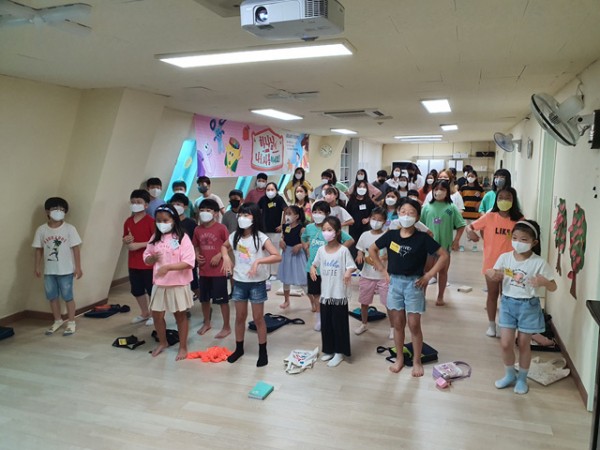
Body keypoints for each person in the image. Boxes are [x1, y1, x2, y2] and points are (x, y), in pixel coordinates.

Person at [369, 198, 449, 376]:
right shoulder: (391, 235)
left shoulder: (422, 238)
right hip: (395, 283)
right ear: (398, 213)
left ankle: (417, 361)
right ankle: (399, 358)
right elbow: (372, 249)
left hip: (414, 284)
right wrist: (383, 270)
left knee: (414, 325)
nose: (406, 216)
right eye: (403, 212)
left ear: (417, 217)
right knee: (398, 324)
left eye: (411, 212)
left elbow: (443, 255)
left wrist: (428, 275)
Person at [486, 220, 557, 395]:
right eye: (515, 238)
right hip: (508, 304)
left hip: (529, 306)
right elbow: (494, 274)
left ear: (534, 242)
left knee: (524, 344)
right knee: (505, 344)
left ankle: (522, 379)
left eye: (524, 239)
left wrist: (543, 282)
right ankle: (510, 374)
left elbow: (553, 286)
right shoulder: (505, 257)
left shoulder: (539, 262)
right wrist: (491, 273)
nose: (518, 242)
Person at [221, 203, 282, 366]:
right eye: (240, 215)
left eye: (246, 215)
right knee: (240, 317)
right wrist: (225, 257)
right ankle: (239, 348)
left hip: (256, 283)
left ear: (254, 218)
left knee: (258, 318)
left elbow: (277, 256)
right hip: (239, 282)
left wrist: (258, 261)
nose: (242, 218)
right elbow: (223, 246)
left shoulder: (261, 237)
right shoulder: (234, 236)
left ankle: (263, 351)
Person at [466, 187, 523, 337]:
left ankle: (506, 325)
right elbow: (470, 227)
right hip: (491, 264)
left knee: (508, 296)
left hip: (511, 265)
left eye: (508, 198)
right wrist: (471, 233)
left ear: (513, 200)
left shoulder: (519, 220)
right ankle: (492, 325)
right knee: (492, 294)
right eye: (501, 197)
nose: (504, 201)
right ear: (496, 200)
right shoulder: (489, 217)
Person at [143, 204, 195, 360]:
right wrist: (150, 259)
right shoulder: (155, 238)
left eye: (165, 220)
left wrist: (168, 268)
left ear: (174, 220)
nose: (161, 223)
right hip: (160, 283)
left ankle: (183, 347)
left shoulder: (182, 237)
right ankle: (163, 342)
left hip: (178, 283)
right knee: (157, 315)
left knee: (180, 316)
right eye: (158, 220)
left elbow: (189, 262)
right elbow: (147, 256)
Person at [310, 216, 357, 367]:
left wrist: (348, 272)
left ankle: (339, 352)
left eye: (329, 230)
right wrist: (312, 268)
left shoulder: (343, 250)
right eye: (324, 230)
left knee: (339, 324)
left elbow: (352, 265)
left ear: (337, 232)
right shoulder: (321, 250)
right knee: (327, 323)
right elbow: (314, 263)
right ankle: (329, 349)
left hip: (339, 294)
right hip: (326, 294)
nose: (326, 232)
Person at [33, 197, 82, 336]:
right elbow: (38, 249)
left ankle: (71, 322)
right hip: (49, 271)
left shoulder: (70, 229)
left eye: (62, 209)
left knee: (68, 296)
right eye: (55, 209)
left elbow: (76, 249)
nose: (59, 211)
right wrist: (37, 266)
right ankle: (57, 320)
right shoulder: (41, 230)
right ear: (47, 211)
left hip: (66, 270)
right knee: (52, 297)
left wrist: (78, 267)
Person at [302, 201, 354, 331]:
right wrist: (306, 247)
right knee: (316, 295)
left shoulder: (331, 229)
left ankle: (331, 317)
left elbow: (350, 240)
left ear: (327, 213)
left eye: (320, 212)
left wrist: (338, 251)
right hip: (313, 268)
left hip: (329, 269)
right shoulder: (309, 228)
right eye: (314, 212)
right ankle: (320, 319)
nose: (317, 214)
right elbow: (304, 238)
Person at [420, 180, 466, 305]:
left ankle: (440, 297)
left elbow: (461, 225)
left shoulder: (451, 208)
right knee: (426, 271)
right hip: (428, 247)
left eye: (442, 189)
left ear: (447, 192)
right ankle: (422, 295)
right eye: (436, 189)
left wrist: (456, 241)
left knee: (443, 272)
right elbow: (420, 225)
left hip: (445, 247)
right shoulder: (426, 208)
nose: (438, 192)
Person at [193, 198, 231, 339]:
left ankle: (226, 326)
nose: (204, 213)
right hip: (204, 271)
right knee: (204, 299)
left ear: (215, 213)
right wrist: (197, 255)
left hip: (219, 271)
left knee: (222, 300)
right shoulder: (197, 229)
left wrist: (219, 255)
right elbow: (196, 245)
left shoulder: (221, 228)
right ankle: (207, 323)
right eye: (202, 210)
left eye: (208, 210)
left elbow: (229, 245)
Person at [354, 207, 394, 339]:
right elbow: (360, 249)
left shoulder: (387, 235)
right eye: (374, 219)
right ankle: (364, 324)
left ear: (385, 222)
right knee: (364, 302)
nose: (376, 222)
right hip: (367, 275)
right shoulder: (365, 235)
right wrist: (359, 255)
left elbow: (395, 251)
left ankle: (393, 327)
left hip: (383, 276)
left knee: (388, 303)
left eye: (379, 220)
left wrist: (384, 257)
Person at [123, 189, 155, 325]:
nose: (135, 204)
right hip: (133, 262)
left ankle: (154, 314)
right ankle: (144, 313)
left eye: (138, 202)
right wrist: (126, 240)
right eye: (133, 202)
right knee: (137, 290)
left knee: (151, 290)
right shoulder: (128, 221)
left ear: (146, 205)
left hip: (148, 263)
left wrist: (139, 245)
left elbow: (156, 242)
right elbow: (125, 238)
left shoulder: (151, 221)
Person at [169, 193, 200, 300]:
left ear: (185, 206)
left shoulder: (191, 223)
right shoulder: (169, 223)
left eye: (178, 204)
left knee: (193, 283)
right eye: (173, 204)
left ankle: (204, 301)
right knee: (177, 283)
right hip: (173, 258)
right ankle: (182, 306)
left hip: (188, 258)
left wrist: (195, 255)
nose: (175, 206)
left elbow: (196, 241)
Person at [277, 205, 307, 309]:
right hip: (286, 254)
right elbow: (283, 237)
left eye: (289, 214)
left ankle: (313, 301)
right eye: (286, 214)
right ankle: (286, 300)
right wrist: (281, 241)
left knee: (302, 279)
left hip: (297, 255)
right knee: (286, 278)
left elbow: (308, 242)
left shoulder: (302, 229)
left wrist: (299, 245)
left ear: (297, 216)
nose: (287, 216)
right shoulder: (285, 226)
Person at [258, 182, 287, 279]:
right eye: (268, 190)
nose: (270, 191)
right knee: (265, 252)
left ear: (276, 190)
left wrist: (282, 224)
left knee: (275, 251)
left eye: (272, 189)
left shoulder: (279, 199)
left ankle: (274, 273)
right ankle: (266, 272)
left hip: (276, 231)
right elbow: (257, 210)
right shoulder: (263, 199)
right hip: (264, 230)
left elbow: (286, 210)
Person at [345, 180, 376, 259]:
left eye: (364, 187)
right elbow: (347, 213)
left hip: (365, 228)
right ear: (356, 188)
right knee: (353, 248)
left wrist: (368, 219)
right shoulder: (351, 201)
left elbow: (374, 213)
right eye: (360, 187)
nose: (362, 188)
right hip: (353, 228)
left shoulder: (369, 201)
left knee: (364, 247)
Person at [459, 169, 484, 251]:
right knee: (463, 230)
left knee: (474, 230)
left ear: (476, 177)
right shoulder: (463, 188)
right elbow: (459, 199)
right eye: (469, 176)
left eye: (472, 176)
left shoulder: (479, 188)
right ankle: (462, 245)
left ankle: (474, 246)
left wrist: (479, 203)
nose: (470, 177)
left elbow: (483, 199)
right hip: (465, 213)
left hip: (475, 213)